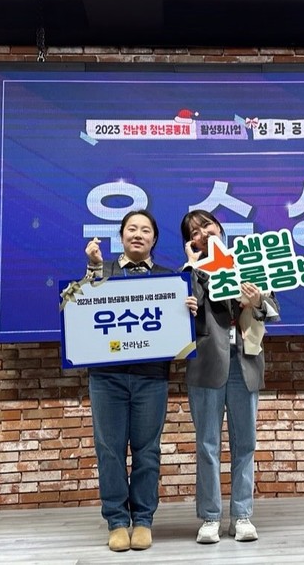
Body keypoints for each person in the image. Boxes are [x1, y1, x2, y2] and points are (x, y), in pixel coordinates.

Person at [84, 209, 197, 552]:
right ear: (121, 236)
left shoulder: (170, 280)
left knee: (147, 451)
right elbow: (80, 310)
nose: (138, 234)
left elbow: (180, 334)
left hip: (151, 378)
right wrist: (93, 268)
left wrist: (188, 313)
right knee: (109, 450)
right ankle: (117, 521)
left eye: (145, 230)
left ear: (154, 239)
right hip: (107, 378)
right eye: (131, 228)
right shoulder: (101, 272)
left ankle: (144, 520)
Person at [180, 209, 280, 544]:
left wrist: (257, 301)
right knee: (207, 444)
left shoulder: (250, 262)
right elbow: (181, 317)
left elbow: (272, 310)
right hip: (206, 364)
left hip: (245, 362)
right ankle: (210, 517)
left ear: (220, 228)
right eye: (194, 232)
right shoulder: (189, 273)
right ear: (190, 243)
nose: (203, 234)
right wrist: (193, 267)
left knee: (245, 443)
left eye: (206, 225)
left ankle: (242, 515)